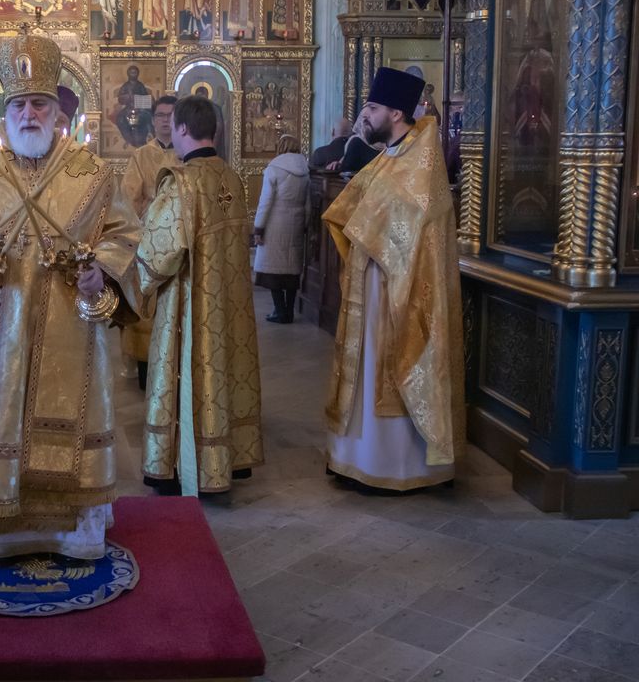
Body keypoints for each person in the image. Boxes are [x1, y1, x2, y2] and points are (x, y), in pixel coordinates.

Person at [0, 33, 141, 559]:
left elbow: (123, 233)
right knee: (2, 417)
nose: (28, 115)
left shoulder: (91, 173)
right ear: (6, 111)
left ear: (57, 110)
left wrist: (102, 273)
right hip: (2, 324)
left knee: (74, 418)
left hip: (74, 327)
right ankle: (1, 523)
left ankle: (76, 528)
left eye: (39, 104)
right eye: (19, 105)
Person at [323, 67, 464, 492]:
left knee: (390, 368)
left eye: (372, 108)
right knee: (366, 372)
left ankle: (395, 466)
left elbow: (409, 221)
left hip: (400, 290)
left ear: (396, 113)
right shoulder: (391, 155)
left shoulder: (422, 161)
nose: (365, 115)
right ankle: (357, 457)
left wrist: (366, 227)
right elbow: (358, 205)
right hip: (374, 284)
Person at [136, 96, 262, 496]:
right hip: (231, 303)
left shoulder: (181, 184)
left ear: (182, 129)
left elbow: (158, 252)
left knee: (190, 373)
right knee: (227, 371)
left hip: (190, 306)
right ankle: (229, 459)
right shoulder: (232, 178)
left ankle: (184, 465)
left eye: (172, 125)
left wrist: (132, 284)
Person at [120, 94, 178, 389]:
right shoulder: (141, 156)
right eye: (161, 116)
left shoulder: (187, 153)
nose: (166, 121)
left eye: (172, 115)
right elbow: (128, 199)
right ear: (153, 120)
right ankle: (144, 369)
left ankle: (176, 367)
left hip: (180, 244)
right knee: (147, 306)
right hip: (149, 242)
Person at [253, 132, 310, 324]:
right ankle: (289, 312)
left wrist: (258, 228)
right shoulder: (305, 170)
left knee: (274, 270)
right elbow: (308, 203)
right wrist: (305, 224)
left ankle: (279, 310)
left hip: (275, 223)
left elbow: (266, 201)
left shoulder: (274, 168)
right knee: (291, 270)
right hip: (296, 222)